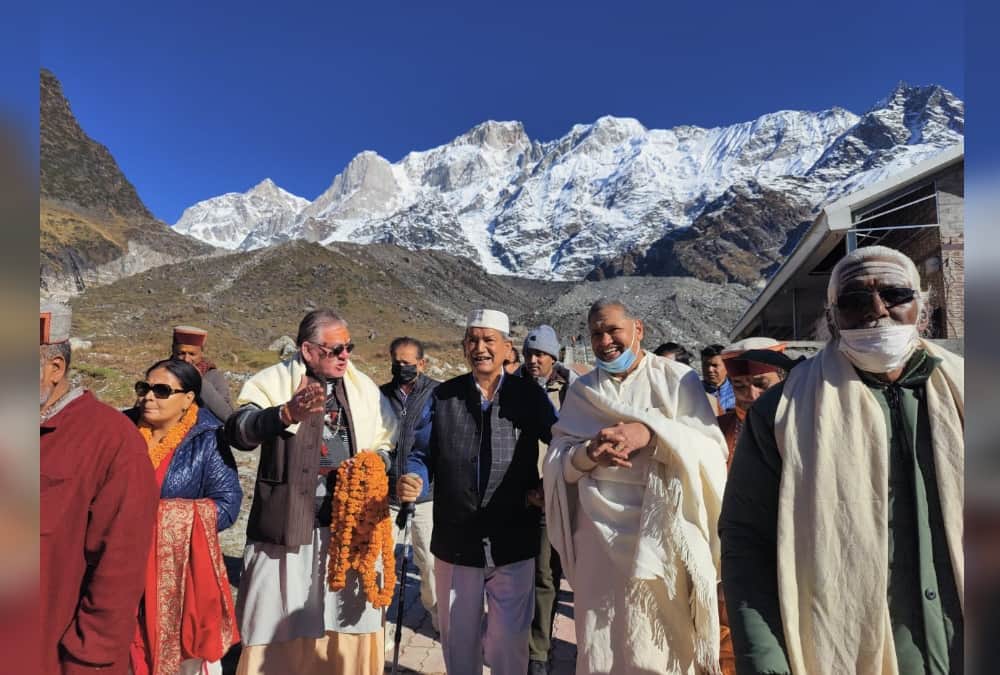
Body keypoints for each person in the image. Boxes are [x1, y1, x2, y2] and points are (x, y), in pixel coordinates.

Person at [720, 246, 964, 675]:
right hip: (845, 650)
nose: (876, 310)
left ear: (921, 309)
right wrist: (764, 661)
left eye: (895, 294)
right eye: (854, 300)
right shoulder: (782, 413)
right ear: (832, 318)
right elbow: (747, 542)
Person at [544, 299, 728, 675]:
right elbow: (558, 463)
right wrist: (590, 453)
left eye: (613, 330)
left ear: (638, 329)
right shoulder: (582, 392)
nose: (605, 340)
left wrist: (651, 433)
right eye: (597, 333)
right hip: (596, 537)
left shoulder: (677, 379)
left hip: (662, 535)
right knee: (602, 641)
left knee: (662, 644)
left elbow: (711, 449)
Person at [225, 309, 398, 675]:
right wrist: (283, 414)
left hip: (351, 531)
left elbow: (387, 440)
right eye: (335, 349)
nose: (345, 356)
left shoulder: (363, 388)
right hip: (286, 525)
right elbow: (239, 431)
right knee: (275, 616)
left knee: (347, 617)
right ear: (307, 350)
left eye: (348, 347)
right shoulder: (273, 382)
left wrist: (376, 463)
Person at [397, 309, 557, 675]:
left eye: (489, 341)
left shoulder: (528, 396)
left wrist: (550, 486)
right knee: (459, 643)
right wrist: (414, 476)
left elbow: (561, 443)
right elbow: (422, 453)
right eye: (472, 340)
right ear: (463, 347)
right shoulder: (443, 397)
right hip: (456, 542)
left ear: (506, 348)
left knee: (509, 645)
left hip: (513, 540)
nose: (480, 348)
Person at [40, 303, 158, 675]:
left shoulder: (112, 440)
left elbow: (119, 567)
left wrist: (90, 657)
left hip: (48, 652)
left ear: (54, 368)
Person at [124, 359, 242, 675]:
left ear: (188, 398)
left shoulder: (208, 439)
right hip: (122, 562)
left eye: (162, 391)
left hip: (179, 572)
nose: (148, 397)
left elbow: (229, 504)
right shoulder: (122, 430)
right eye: (144, 388)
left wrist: (167, 520)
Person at [520, 325, 576, 675]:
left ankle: (539, 650)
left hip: (557, 496)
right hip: (519, 497)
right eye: (528, 353)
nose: (533, 360)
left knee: (546, 576)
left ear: (554, 356)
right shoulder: (512, 389)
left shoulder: (574, 392)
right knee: (524, 575)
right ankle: (526, 647)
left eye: (540, 353)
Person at [379, 336, 441, 632]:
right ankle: (378, 625)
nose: (401, 368)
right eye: (397, 362)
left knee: (429, 562)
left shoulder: (439, 396)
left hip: (426, 494)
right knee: (380, 562)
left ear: (422, 363)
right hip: (387, 494)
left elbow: (441, 446)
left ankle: (440, 618)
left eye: (407, 363)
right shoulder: (381, 395)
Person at [715, 338, 791, 464]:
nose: (751, 396)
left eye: (761, 384)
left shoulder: (801, 424)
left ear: (782, 380)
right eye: (740, 386)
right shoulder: (718, 430)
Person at [171, 325, 234, 422]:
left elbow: (227, 415)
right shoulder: (161, 374)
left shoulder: (213, 376)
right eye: (181, 353)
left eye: (192, 354)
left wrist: (199, 381)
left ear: (202, 352)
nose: (186, 359)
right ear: (173, 351)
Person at [701, 344, 735, 412]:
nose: (709, 369)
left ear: (727, 366)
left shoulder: (738, 392)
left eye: (715, 365)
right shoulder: (694, 391)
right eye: (706, 365)